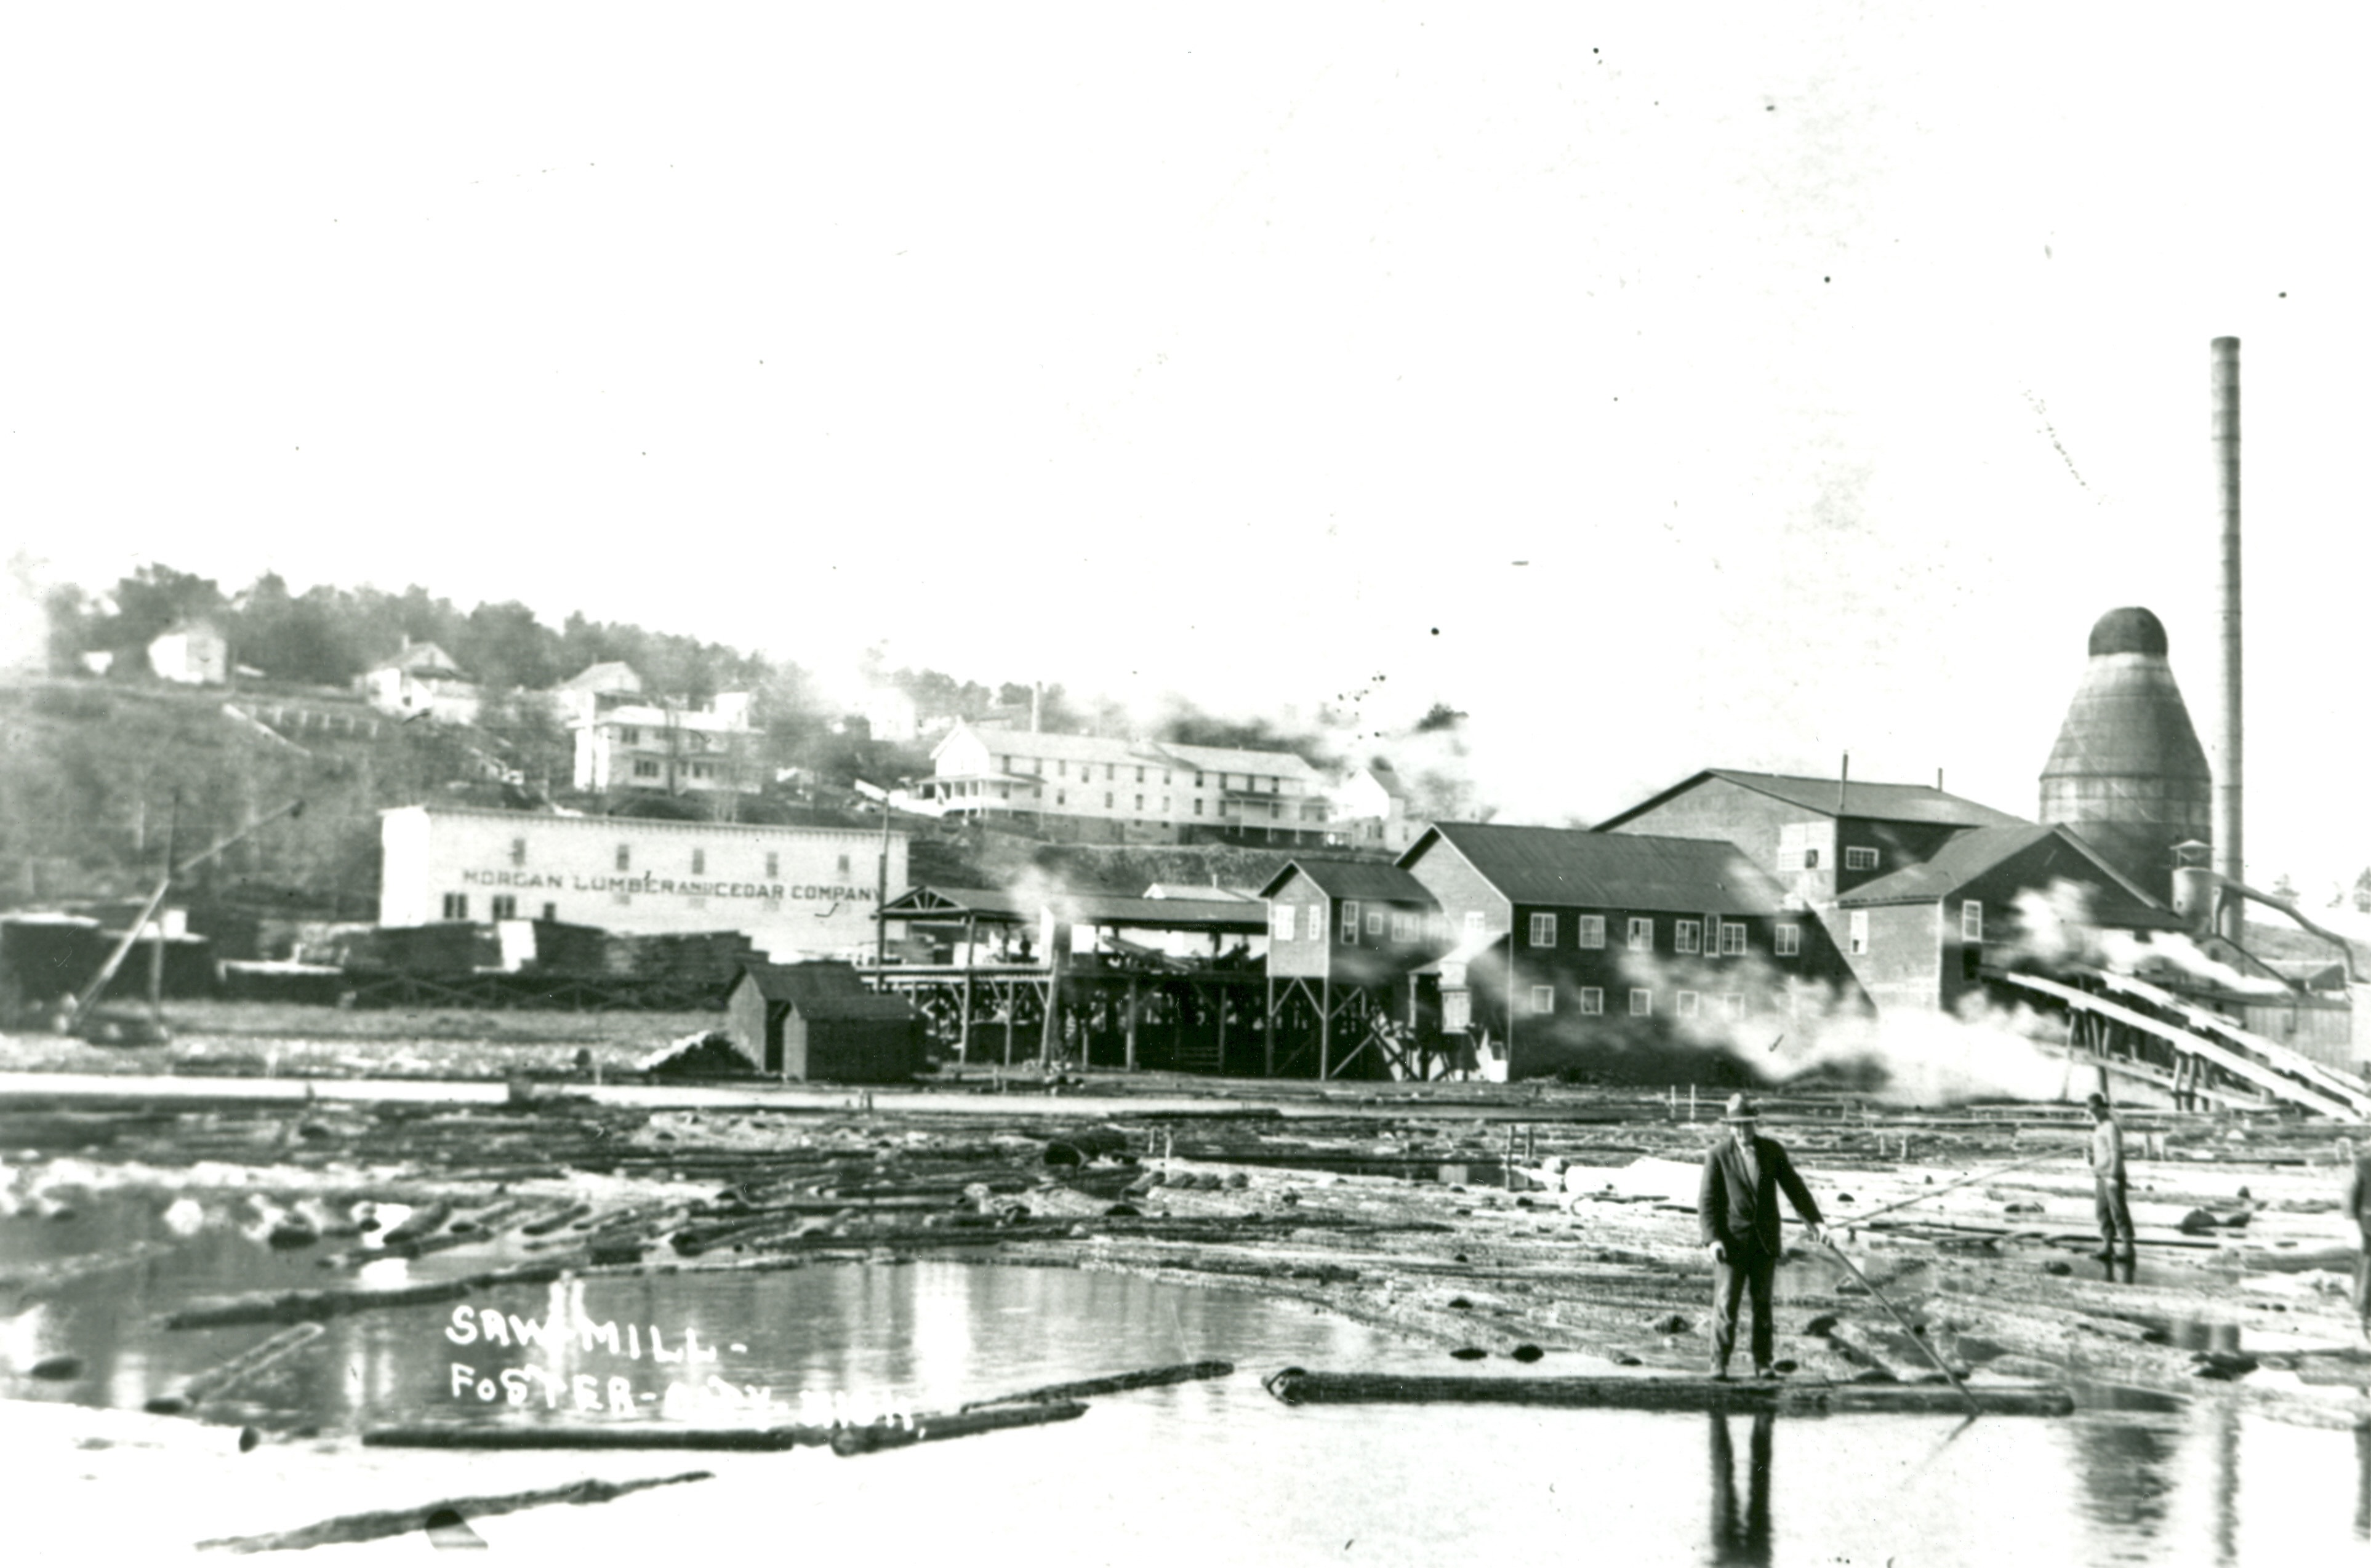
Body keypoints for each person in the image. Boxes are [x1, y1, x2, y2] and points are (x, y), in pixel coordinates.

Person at [1698, 1093, 1825, 1380]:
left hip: (1766, 1242)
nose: (1742, 1131)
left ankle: (1763, 1363)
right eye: (1736, 1126)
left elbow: (1795, 1188)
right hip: (1731, 1244)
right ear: (1729, 1127)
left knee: (1763, 1306)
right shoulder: (1718, 1154)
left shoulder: (1773, 1151)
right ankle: (1718, 1364)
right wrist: (1713, 1239)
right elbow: (1708, 1202)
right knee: (1727, 1303)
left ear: (1755, 1124)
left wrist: (1817, 1223)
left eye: (1747, 1125)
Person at [2087, 1092, 2137, 1282]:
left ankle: (2128, 1247)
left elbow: (2117, 1153)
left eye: (2095, 1109)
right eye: (2090, 1110)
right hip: (2100, 1176)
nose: (2093, 1113)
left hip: (2112, 1176)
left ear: (2103, 1108)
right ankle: (2107, 1245)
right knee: (2102, 1211)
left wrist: (2115, 1176)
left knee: (2118, 1211)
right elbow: (2100, 1152)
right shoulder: (2098, 1128)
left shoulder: (2111, 1127)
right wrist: (2091, 1160)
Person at [2344, 1140, 2371, 1342]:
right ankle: (2364, 1322)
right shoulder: (2363, 1164)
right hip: (2368, 1229)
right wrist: (2353, 1226)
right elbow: (2349, 1198)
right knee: (2366, 1277)